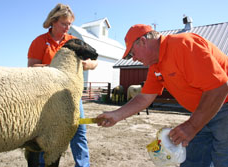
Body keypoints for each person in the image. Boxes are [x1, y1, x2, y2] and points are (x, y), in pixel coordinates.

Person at [97, 24, 228, 167]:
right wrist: (116, 115)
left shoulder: (183, 45)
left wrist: (192, 126)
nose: (133, 59)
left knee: (223, 159)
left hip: (222, 106)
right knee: (192, 161)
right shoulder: (156, 65)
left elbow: (220, 88)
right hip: (203, 111)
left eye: (132, 53)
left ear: (143, 41)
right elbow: (145, 97)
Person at [27, 3, 98, 167]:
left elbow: (94, 63)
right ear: (53, 21)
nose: (67, 27)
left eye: (70, 24)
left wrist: (85, 65)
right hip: (45, 96)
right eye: (64, 24)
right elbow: (32, 66)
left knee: (78, 130)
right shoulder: (39, 41)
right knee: (45, 131)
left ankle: (83, 164)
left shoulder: (74, 42)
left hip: (69, 94)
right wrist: (56, 67)